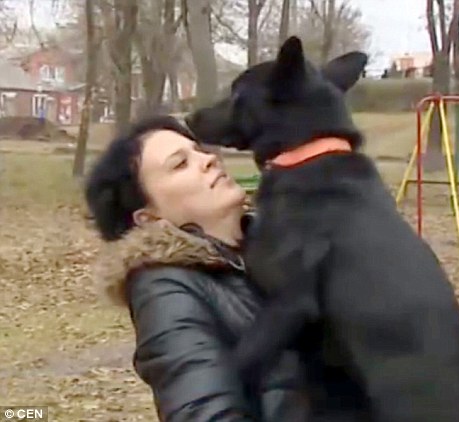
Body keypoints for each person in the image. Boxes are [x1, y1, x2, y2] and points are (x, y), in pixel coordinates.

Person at [85, 115, 368, 421]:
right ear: (149, 218)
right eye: (180, 164)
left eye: (199, 150)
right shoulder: (164, 289)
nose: (209, 159)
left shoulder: (286, 245)